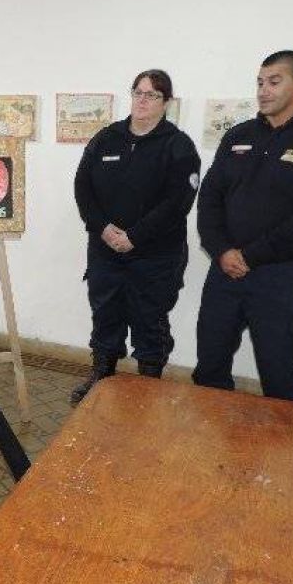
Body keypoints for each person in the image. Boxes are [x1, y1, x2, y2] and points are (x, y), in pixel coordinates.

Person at [193, 50, 293, 402]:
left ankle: (285, 456)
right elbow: (210, 200)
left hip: (279, 278)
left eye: (274, 82)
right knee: (209, 370)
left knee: (280, 379)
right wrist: (221, 251)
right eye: (260, 82)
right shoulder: (237, 136)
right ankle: (208, 451)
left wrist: (249, 255)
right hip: (224, 273)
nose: (264, 90)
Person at [71, 70, 201, 405]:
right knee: (105, 314)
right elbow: (82, 187)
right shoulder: (106, 138)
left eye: (152, 95)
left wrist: (136, 236)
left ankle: (149, 387)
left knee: (150, 320)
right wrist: (102, 228)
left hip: (155, 256)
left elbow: (177, 203)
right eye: (138, 92)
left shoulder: (178, 146)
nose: (143, 100)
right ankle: (102, 375)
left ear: (166, 102)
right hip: (105, 251)